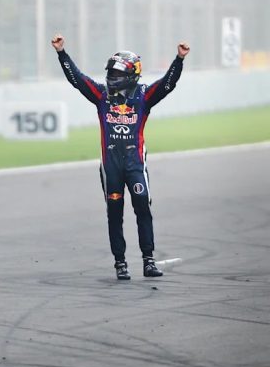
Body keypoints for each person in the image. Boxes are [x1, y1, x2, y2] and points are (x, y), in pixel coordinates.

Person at [52, 34, 190, 281]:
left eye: (117, 74)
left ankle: (148, 260)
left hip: (135, 164)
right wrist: (62, 53)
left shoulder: (144, 96)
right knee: (114, 213)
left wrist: (179, 59)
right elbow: (78, 80)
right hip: (111, 166)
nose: (111, 78)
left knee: (142, 208)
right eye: (111, 73)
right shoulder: (102, 96)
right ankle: (120, 263)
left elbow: (167, 84)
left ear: (132, 75)